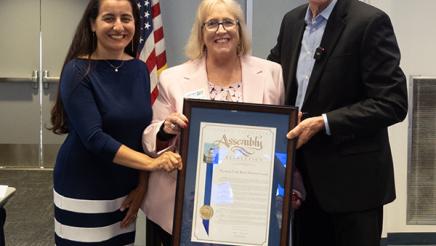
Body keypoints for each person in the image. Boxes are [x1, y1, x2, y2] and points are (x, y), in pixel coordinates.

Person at [141, 0, 305, 245]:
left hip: (251, 202)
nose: (221, 30)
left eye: (228, 22)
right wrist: (166, 129)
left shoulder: (272, 73)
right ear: (201, 33)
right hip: (190, 202)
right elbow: (150, 137)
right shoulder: (173, 79)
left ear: (239, 31)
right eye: (212, 24)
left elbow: (281, 140)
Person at [268, 0, 408, 245]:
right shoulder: (292, 21)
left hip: (353, 186)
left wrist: (324, 122)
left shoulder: (369, 22)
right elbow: (270, 78)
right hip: (301, 184)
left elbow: (392, 102)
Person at [50, 0, 182, 245]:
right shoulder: (77, 71)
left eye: (126, 18)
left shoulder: (139, 69)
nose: (118, 26)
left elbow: (139, 133)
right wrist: (153, 164)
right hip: (83, 186)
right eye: (109, 18)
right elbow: (94, 139)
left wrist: (142, 184)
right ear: (92, 24)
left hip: (125, 189)